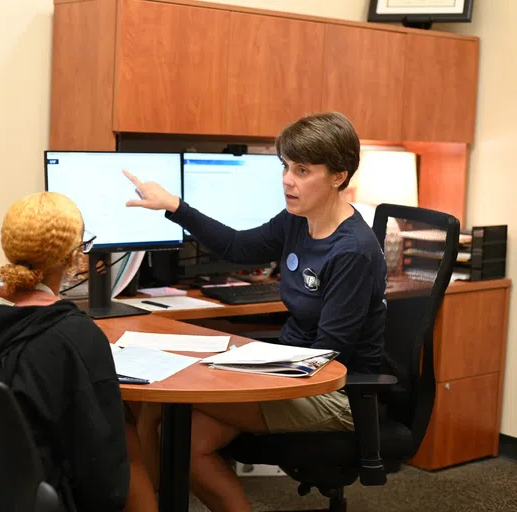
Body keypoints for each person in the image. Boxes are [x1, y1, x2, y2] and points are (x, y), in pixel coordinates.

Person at [125, 112, 388, 512]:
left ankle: (144, 503)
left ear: (338, 176)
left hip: (333, 391)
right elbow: (238, 247)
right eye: (285, 166)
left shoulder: (352, 251)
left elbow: (328, 354)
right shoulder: (299, 220)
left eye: (302, 170)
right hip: (290, 370)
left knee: (164, 397)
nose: (287, 179)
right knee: (191, 444)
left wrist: (246, 368)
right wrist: (174, 206)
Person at [0, 191, 157, 512]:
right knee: (126, 437)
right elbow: (102, 473)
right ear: (74, 257)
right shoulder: (74, 335)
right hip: (30, 497)